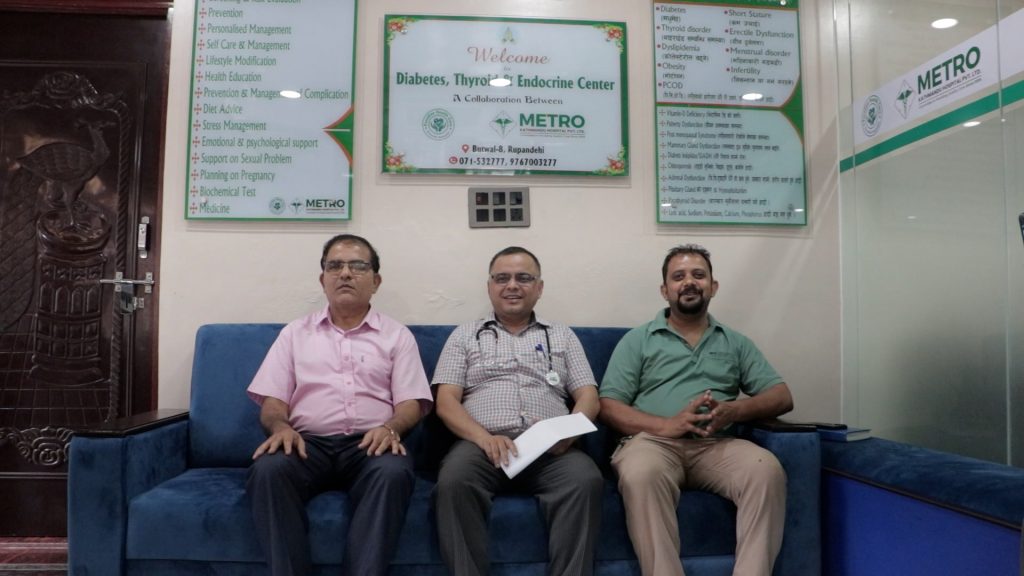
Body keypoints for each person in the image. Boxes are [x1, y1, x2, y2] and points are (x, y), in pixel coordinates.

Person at [599, 244, 794, 576]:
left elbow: (781, 396)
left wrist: (734, 411)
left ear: (713, 286)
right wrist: (667, 425)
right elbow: (608, 406)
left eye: (698, 275)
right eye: (678, 276)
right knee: (641, 473)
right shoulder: (638, 339)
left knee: (766, 469)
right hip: (653, 444)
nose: (689, 282)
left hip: (717, 445)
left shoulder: (735, 342)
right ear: (665, 290)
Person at [245, 234, 432, 576]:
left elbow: (410, 404)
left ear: (376, 281)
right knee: (268, 470)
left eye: (357, 266)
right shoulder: (294, 334)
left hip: (370, 445)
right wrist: (280, 427)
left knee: (393, 472)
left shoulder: (397, 335)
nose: (345, 273)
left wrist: (391, 428)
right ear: (323, 279)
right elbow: (272, 402)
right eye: (335, 266)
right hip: (306, 445)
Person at [432, 246, 603, 576]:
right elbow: (446, 401)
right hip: (482, 445)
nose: (512, 285)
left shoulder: (562, 335)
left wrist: (567, 433)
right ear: (489, 287)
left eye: (523, 278)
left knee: (585, 480)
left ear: (539, 287)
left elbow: (589, 396)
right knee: (454, 480)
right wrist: (484, 438)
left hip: (550, 447)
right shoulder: (465, 334)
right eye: (502, 278)